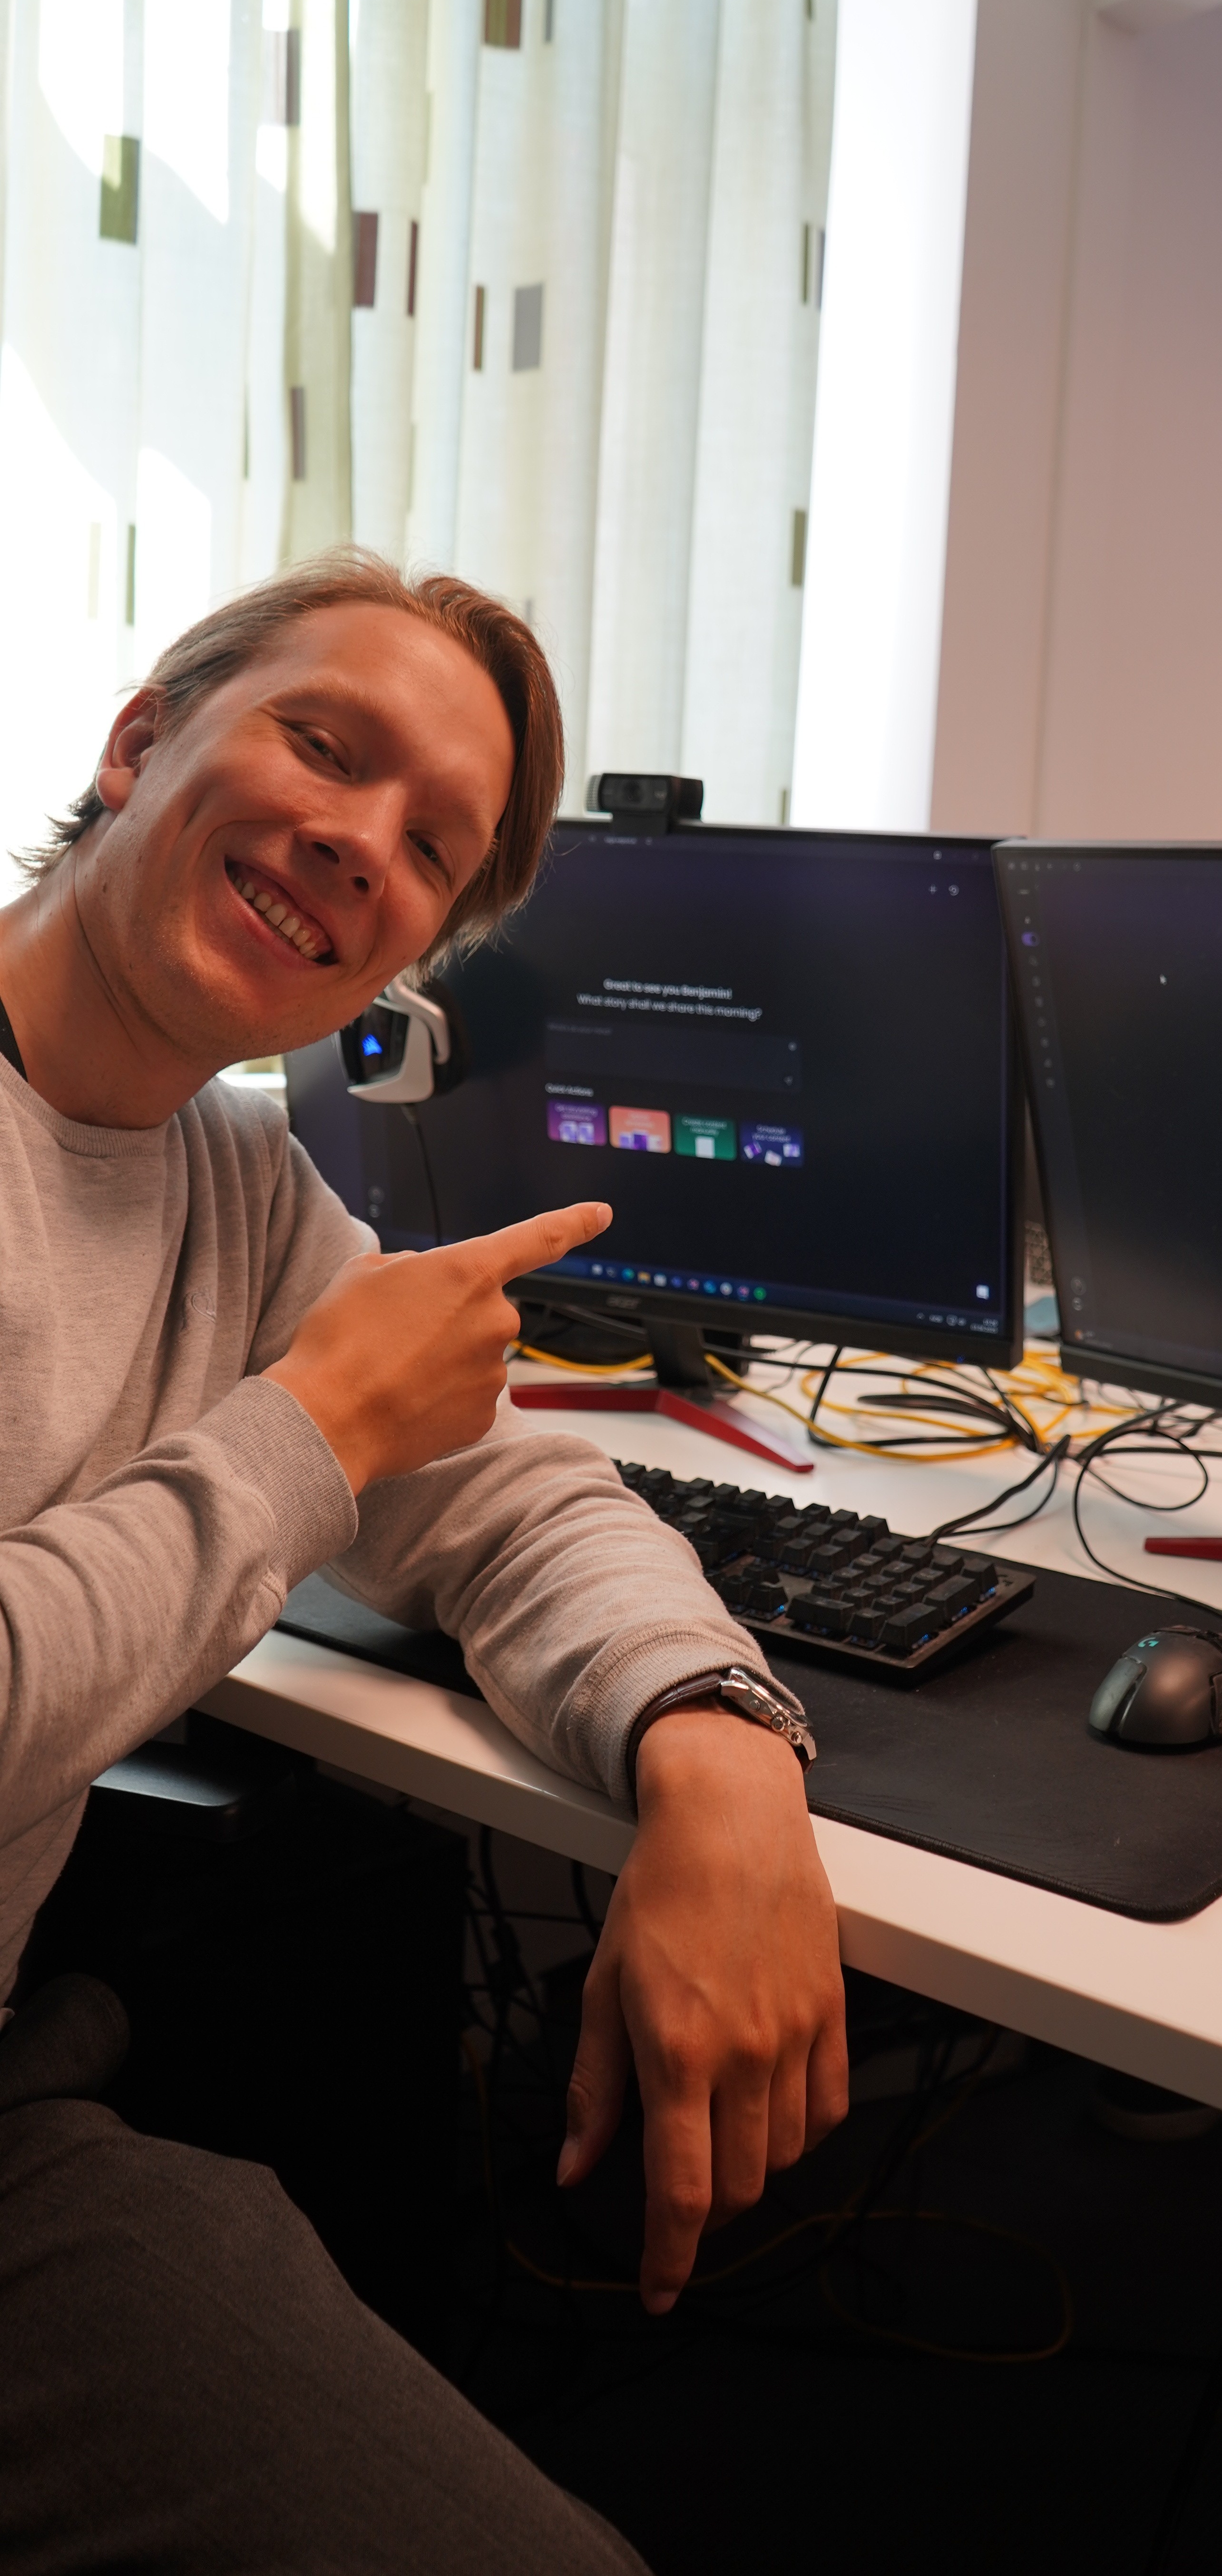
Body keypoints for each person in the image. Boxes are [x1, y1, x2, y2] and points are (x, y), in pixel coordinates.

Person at [0, 550, 848, 2574]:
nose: (357, 843)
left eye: (431, 845)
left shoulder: (231, 1180)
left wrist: (722, 1750)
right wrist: (306, 1439)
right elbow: (348, 1434)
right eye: (324, 742)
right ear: (140, 745)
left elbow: (509, 1501)